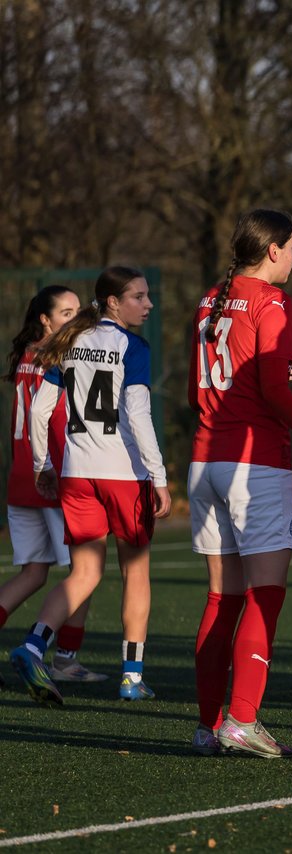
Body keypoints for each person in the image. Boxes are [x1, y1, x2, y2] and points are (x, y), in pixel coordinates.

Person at [187, 209, 292, 758]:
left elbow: (201, 389)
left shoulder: (211, 298)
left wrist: (272, 375)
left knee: (220, 598)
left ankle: (208, 726)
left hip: (204, 463)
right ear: (272, 250)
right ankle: (243, 721)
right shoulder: (271, 300)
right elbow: (273, 395)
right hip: (254, 464)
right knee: (265, 594)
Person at [9, 267, 171, 706]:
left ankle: (32, 646)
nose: (148, 304)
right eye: (139, 296)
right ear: (113, 302)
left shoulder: (70, 341)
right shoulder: (132, 346)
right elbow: (138, 418)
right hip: (123, 476)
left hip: (77, 475)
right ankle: (132, 678)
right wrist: (159, 476)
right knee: (135, 573)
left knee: (84, 573)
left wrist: (44, 464)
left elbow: (42, 409)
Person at [1, 286, 107, 685]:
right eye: (66, 312)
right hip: (52, 479)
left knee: (33, 573)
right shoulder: (62, 357)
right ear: (45, 320)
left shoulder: (28, 353)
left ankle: (61, 656)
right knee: (86, 571)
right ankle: (64, 659)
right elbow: (58, 425)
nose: (75, 317)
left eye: (78, 309)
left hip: (21, 480)